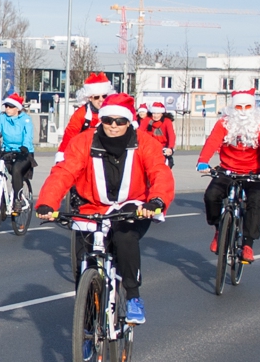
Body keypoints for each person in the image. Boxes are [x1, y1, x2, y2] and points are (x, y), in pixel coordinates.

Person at [36, 93, 173, 324]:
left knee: (124, 238)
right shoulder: (84, 142)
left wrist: (157, 201)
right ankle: (88, 318)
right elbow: (64, 172)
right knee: (84, 260)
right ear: (101, 120)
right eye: (108, 120)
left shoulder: (145, 142)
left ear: (129, 122)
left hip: (133, 206)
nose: (113, 125)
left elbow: (160, 172)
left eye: (120, 121)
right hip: (92, 207)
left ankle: (133, 296)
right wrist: (47, 202)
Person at [197, 88, 260, 263]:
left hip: (255, 172)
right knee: (211, 196)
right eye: (239, 107)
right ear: (233, 108)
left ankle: (247, 244)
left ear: (253, 107)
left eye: (248, 107)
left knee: (256, 203)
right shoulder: (224, 123)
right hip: (228, 169)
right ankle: (219, 230)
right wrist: (203, 161)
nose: (243, 111)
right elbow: (213, 142)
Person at [0, 93, 35, 206]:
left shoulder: (26, 120)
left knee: (16, 170)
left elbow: (28, 136)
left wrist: (25, 146)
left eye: (11, 106)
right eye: (6, 106)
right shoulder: (2, 118)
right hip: (7, 151)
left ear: (17, 108)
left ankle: (17, 200)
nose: (7, 108)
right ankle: (2, 201)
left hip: (23, 152)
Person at [56, 71, 112, 161]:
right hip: (85, 155)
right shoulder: (81, 114)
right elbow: (69, 135)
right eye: (96, 97)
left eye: (104, 96)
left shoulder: (113, 112)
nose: (101, 100)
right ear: (90, 98)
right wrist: (62, 157)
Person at [146, 100, 177, 165]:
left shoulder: (167, 121)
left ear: (162, 114)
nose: (155, 115)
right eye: (154, 113)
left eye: (158, 113)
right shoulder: (149, 120)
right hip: (152, 147)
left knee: (165, 164)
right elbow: (142, 133)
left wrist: (170, 148)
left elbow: (171, 135)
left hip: (164, 147)